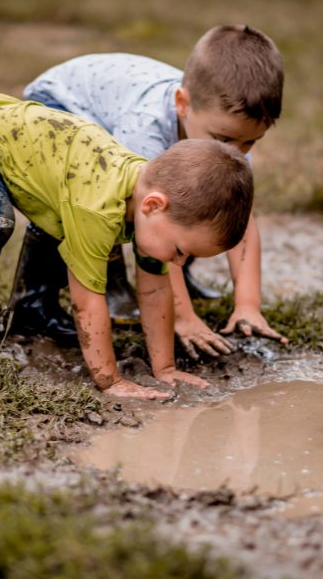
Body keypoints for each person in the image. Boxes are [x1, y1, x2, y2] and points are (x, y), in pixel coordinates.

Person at [0, 92, 254, 399]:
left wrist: (164, 370)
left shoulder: (148, 202)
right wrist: (110, 380)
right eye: (181, 250)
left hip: (20, 153)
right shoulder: (98, 208)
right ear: (153, 205)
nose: (179, 262)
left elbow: (153, 290)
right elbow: (87, 302)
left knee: (61, 224)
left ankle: (32, 313)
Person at [15, 24, 289, 359]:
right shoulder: (145, 128)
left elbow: (240, 219)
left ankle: (179, 281)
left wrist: (248, 305)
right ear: (182, 104)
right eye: (224, 140)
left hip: (107, 109)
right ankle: (38, 301)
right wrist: (183, 319)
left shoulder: (224, 134)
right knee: (94, 202)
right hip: (61, 106)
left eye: (250, 142)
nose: (237, 151)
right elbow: (159, 220)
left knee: (201, 204)